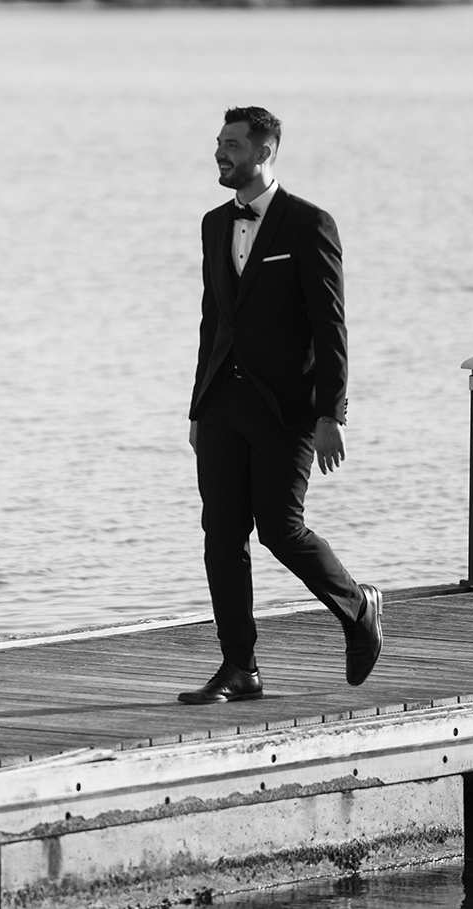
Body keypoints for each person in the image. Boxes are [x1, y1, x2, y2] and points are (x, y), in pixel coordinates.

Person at [180, 106, 382, 704]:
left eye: (233, 144)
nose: (221, 153)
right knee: (221, 533)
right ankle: (239, 667)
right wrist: (197, 408)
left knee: (280, 528)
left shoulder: (308, 224)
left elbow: (330, 326)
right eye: (219, 142)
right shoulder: (214, 224)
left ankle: (358, 607)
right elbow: (213, 321)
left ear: (265, 152)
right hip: (222, 403)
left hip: (286, 408)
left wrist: (330, 414)